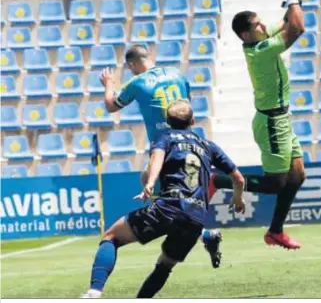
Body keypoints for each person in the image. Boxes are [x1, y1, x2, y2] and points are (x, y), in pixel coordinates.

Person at [81, 101, 246, 298]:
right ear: (192, 121)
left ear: (168, 122)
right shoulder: (209, 147)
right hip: (196, 217)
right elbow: (238, 178)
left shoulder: (165, 137)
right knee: (165, 265)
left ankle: (94, 292)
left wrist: (150, 183)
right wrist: (238, 200)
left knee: (111, 237)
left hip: (169, 206)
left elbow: (156, 160)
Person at [99, 44, 222, 267]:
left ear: (132, 65)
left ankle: (203, 234)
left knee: (156, 190)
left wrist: (108, 85)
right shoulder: (177, 74)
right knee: (151, 183)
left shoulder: (137, 82)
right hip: (190, 145)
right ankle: (204, 235)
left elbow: (110, 106)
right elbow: (187, 105)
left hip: (165, 148)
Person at [225, 0, 318, 249]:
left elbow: (287, 21)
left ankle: (276, 231)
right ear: (246, 34)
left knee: (298, 176)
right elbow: (297, 29)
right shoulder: (260, 49)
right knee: (277, 184)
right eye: (257, 24)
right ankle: (218, 181)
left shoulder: (260, 38)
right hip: (271, 123)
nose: (263, 25)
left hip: (281, 119)